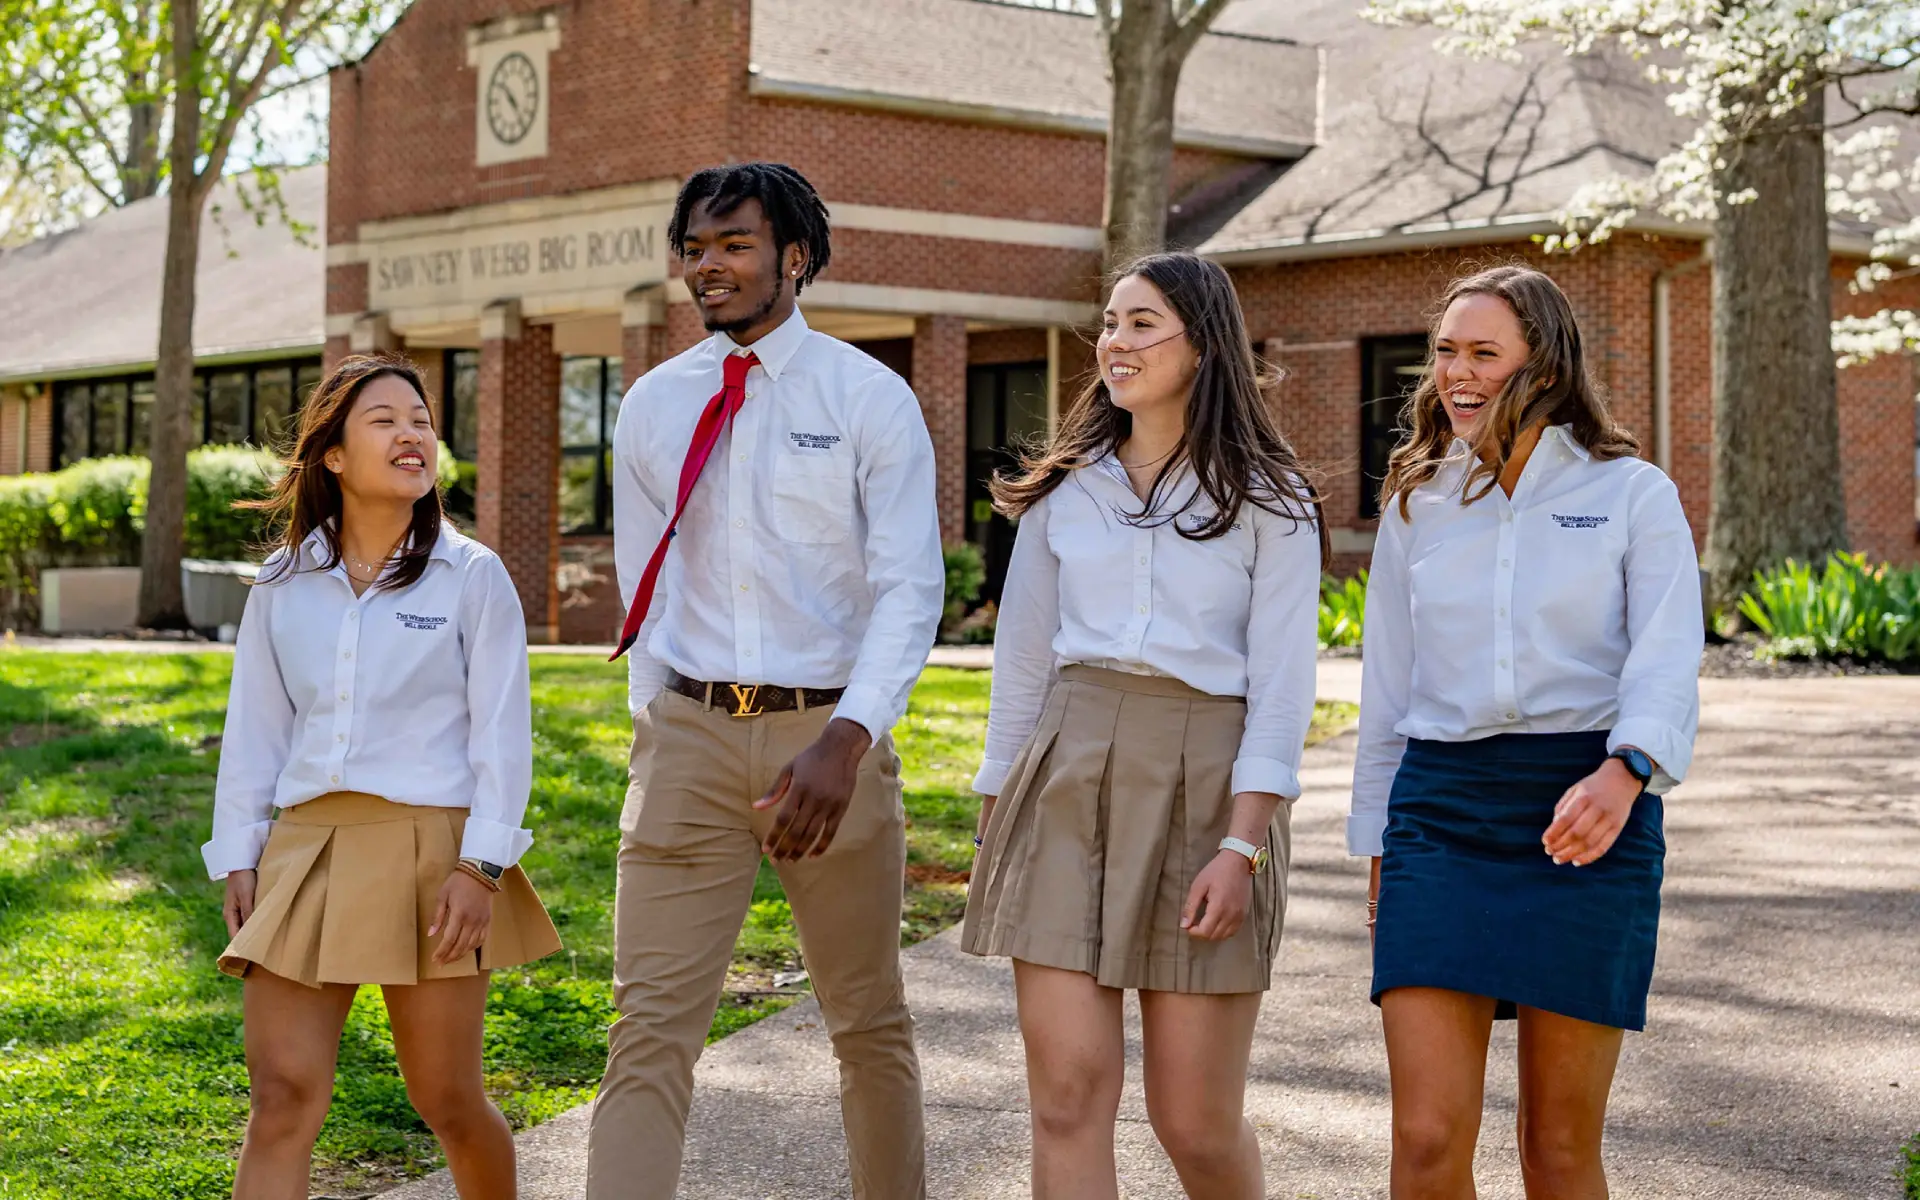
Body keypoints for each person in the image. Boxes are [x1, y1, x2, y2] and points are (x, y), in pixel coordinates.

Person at [586, 161, 944, 1199]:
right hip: (688, 736)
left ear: (795, 257)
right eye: (694, 249)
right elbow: (641, 581)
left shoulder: (868, 398)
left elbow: (909, 590)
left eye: (734, 245)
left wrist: (850, 738)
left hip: (828, 742)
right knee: (647, 1029)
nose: (709, 268)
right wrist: (653, 719)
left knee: (867, 1022)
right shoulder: (655, 404)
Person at [962, 252, 1325, 1199]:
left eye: (1140, 324)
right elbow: (1024, 661)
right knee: (1066, 1099)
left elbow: (1284, 692)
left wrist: (1243, 847)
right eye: (1110, 325)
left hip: (1209, 783)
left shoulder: (1274, 502)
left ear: (1202, 345)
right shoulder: (1063, 493)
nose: (1113, 344)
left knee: (1195, 1123)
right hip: (1067, 769)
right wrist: (997, 800)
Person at [1350, 264, 1703, 1198]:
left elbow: (1667, 655)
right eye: (1445, 353)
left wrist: (1627, 771)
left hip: (1588, 815)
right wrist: (1375, 839)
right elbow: (1387, 686)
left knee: (1556, 1147)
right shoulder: (1415, 502)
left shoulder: (1633, 493)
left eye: (1483, 355)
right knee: (1425, 1140)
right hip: (1439, 814)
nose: (1455, 374)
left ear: (1543, 365)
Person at [205, 353, 560, 1200]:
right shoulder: (282, 584)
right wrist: (241, 857)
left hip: (433, 855)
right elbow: (254, 731)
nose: (412, 435)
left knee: (446, 1099)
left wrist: (482, 867)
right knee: (281, 1097)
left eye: (421, 421)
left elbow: (503, 740)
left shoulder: (472, 575)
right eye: (385, 420)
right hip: (304, 853)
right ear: (332, 453)